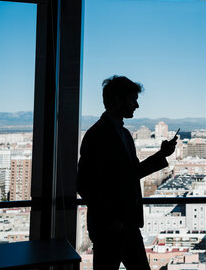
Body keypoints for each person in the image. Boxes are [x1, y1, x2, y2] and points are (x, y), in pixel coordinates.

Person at [77, 76, 177, 270]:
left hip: (124, 224)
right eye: (132, 99)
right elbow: (84, 184)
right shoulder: (98, 135)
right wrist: (112, 220)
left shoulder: (122, 134)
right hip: (111, 227)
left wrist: (162, 154)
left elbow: (131, 173)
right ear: (116, 100)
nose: (137, 105)